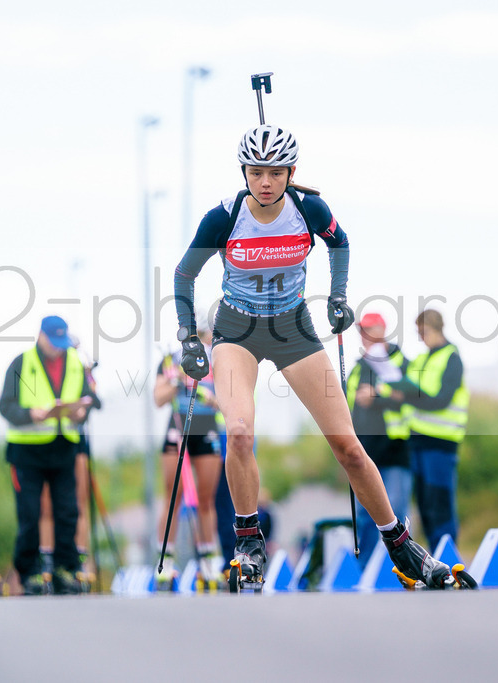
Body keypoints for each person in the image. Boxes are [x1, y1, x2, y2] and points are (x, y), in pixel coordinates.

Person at [172, 123, 453, 589]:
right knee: (239, 433)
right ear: (244, 172)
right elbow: (184, 276)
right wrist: (188, 338)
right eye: (256, 171)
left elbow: (339, 242)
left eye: (275, 172)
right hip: (236, 330)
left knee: (347, 446)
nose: (265, 181)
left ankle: (401, 546)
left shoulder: (309, 209)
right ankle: (248, 540)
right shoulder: (222, 218)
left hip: (293, 329)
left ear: (290, 172)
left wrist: (338, 297)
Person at [0, 316, 93, 595]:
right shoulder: (21, 362)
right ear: (40, 335)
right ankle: (29, 573)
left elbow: (88, 397)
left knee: (67, 510)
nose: (58, 348)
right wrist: (30, 414)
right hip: (27, 450)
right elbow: (5, 406)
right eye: (54, 341)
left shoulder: (75, 362)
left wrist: (80, 411)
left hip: (63, 445)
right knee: (30, 513)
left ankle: (66, 569)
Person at [387, 309, 470, 551]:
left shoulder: (452, 358)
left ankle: (449, 557)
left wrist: (407, 397)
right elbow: (408, 384)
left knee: (440, 503)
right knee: (424, 506)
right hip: (418, 442)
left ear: (436, 328)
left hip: (441, 443)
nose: (421, 337)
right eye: (419, 333)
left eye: (424, 332)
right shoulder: (421, 360)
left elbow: (441, 400)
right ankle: (436, 558)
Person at [153, 320, 224, 588]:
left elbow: (226, 402)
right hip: (178, 424)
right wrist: (176, 382)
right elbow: (158, 398)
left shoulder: (217, 359)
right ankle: (165, 560)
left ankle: (209, 561)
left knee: (206, 499)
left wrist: (206, 395)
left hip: (205, 427)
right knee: (173, 495)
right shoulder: (172, 359)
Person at [346, 312, 413, 569]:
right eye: (361, 330)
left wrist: (378, 394)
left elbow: (412, 393)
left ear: (382, 330)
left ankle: (402, 566)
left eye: (368, 329)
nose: (363, 335)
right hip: (364, 449)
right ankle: (368, 571)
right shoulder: (358, 366)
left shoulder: (400, 361)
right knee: (365, 515)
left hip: (395, 448)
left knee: (395, 509)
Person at [38, 337, 101, 588]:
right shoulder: (48, 370)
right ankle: (47, 559)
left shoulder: (79, 371)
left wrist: (86, 382)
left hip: (77, 444)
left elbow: (94, 401)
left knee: (79, 502)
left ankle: (80, 556)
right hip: (50, 442)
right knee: (47, 505)